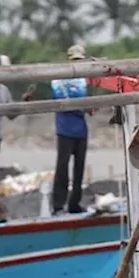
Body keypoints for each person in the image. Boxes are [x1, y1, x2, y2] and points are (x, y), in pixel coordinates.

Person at [50, 44, 92, 215]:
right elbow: (65, 102)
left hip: (81, 129)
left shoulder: (84, 80)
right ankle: (58, 205)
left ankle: (75, 203)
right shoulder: (58, 79)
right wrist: (83, 106)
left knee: (79, 167)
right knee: (62, 167)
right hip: (65, 128)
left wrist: (88, 107)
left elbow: (85, 103)